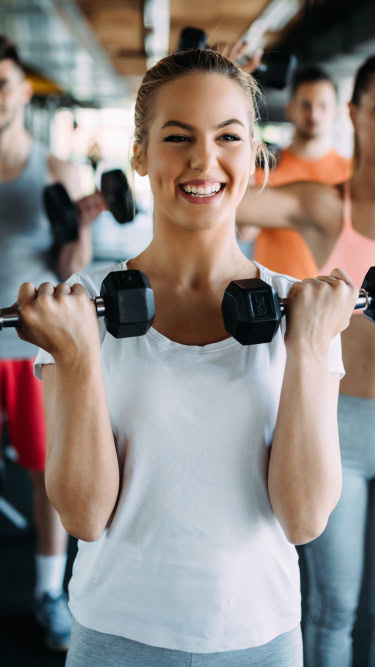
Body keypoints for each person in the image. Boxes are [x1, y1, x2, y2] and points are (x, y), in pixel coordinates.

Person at [13, 48, 358, 667]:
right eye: (178, 137)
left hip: (261, 637)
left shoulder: (303, 315)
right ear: (140, 154)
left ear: (255, 159)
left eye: (228, 136)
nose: (204, 160)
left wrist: (307, 349)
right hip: (115, 634)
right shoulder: (81, 312)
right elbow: (86, 516)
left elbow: (303, 518)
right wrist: (80, 359)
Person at [237, 55, 375, 666]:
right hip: (340, 427)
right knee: (334, 609)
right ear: (357, 114)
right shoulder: (326, 205)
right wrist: (228, 86)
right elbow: (222, 187)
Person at [0, 35, 105, 651]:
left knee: (46, 477)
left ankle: (47, 592)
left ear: (20, 90)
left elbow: (70, 268)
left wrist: (79, 228)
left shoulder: (57, 170)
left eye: (3, 83)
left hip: (32, 349)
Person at [240, 65, 351, 278]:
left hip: (331, 296)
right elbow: (246, 231)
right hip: (276, 296)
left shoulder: (351, 173)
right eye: (306, 105)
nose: (313, 114)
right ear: (290, 108)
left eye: (322, 106)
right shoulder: (266, 167)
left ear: (336, 112)